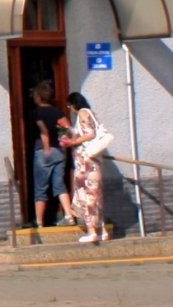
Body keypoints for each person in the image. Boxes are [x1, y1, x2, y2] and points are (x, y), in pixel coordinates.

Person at [63, 91, 112, 244]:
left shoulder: (83, 113)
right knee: (96, 195)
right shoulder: (91, 112)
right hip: (94, 161)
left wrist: (73, 143)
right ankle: (103, 230)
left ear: (74, 104)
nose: (69, 108)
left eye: (69, 105)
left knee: (87, 194)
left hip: (86, 162)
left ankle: (92, 232)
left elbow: (90, 134)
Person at [26, 79, 69, 229]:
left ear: (38, 96)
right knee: (59, 185)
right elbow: (69, 129)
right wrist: (66, 141)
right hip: (59, 152)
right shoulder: (57, 112)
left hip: (43, 152)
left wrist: (46, 148)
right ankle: (69, 215)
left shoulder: (35, 113)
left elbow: (42, 130)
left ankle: (39, 222)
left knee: (40, 188)